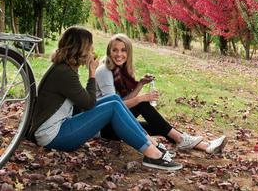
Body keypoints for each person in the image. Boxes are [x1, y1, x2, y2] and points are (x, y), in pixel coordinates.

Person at [28, 27, 182, 171]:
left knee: (114, 99)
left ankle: (152, 144)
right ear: (79, 49)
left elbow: (82, 102)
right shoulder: (64, 73)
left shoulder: (64, 68)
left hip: (59, 127)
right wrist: (92, 73)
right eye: (89, 47)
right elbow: (88, 103)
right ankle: (152, 155)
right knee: (113, 106)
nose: (92, 51)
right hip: (53, 136)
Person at [95, 33, 227, 154]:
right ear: (109, 51)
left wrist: (140, 84)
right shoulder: (104, 71)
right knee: (144, 104)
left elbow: (122, 103)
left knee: (160, 127)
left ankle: (206, 146)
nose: (119, 54)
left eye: (123, 50)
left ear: (129, 52)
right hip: (104, 127)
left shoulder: (121, 70)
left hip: (115, 123)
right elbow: (112, 107)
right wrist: (142, 98)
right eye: (115, 50)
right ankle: (183, 140)